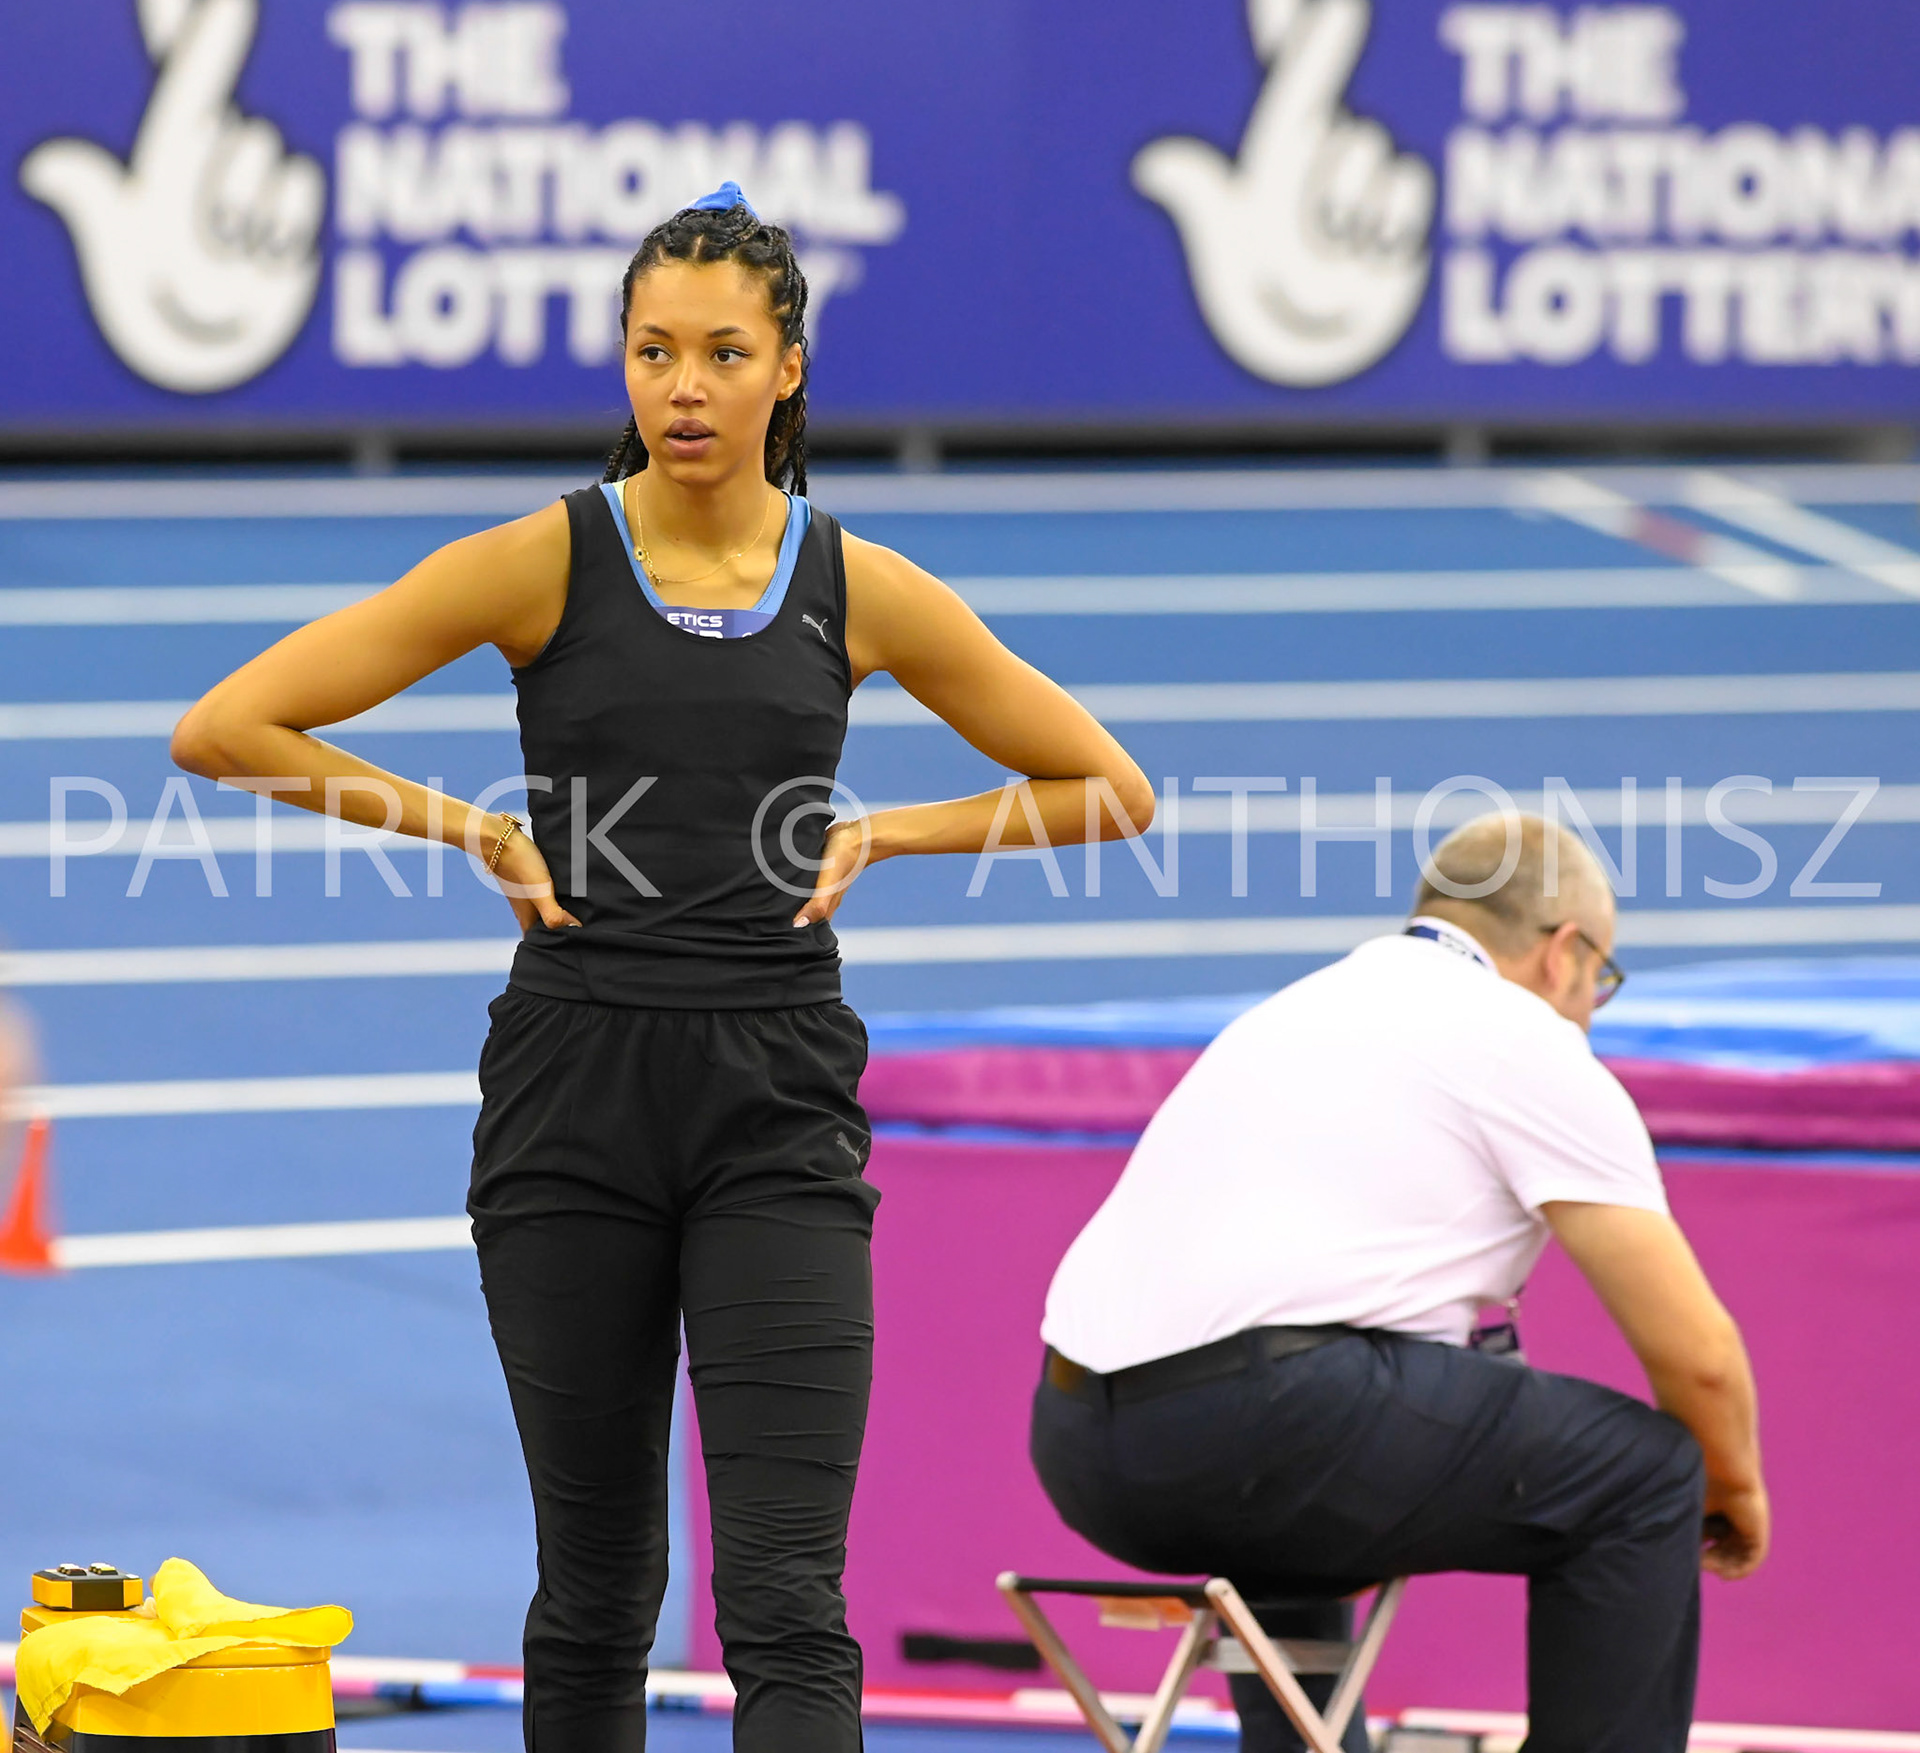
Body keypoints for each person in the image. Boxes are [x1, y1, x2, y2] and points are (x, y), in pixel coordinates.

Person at [171, 182, 1153, 1753]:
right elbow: (227, 726)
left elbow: (1110, 787)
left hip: (777, 1106)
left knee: (782, 1597)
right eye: (651, 353)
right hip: (574, 1102)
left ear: (788, 372)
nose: (682, 388)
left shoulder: (858, 586)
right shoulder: (541, 562)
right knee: (597, 1589)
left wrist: (894, 832)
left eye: (719, 353)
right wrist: (466, 830)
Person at [1031, 813, 1766, 1753]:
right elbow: (1699, 1360)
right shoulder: (1526, 1039)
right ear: (1566, 953)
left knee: (1298, 1458)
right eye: (1602, 980)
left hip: (1081, 1452)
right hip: (1265, 1430)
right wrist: (1730, 1487)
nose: (1591, 1005)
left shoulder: (1293, 1010)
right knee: (1650, 1473)